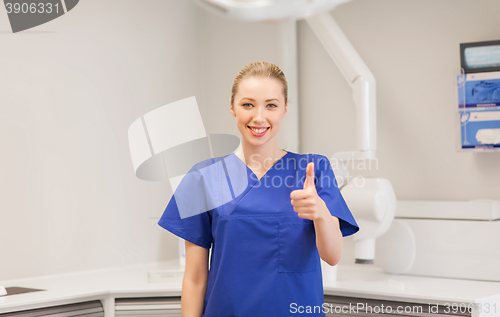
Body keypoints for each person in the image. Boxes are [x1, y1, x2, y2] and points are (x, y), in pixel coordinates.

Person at [158, 61, 359, 317]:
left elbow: (332, 256)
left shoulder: (314, 169)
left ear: (285, 109)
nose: (259, 117)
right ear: (232, 107)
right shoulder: (203, 177)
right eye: (248, 104)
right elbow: (195, 278)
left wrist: (320, 212)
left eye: (271, 105)